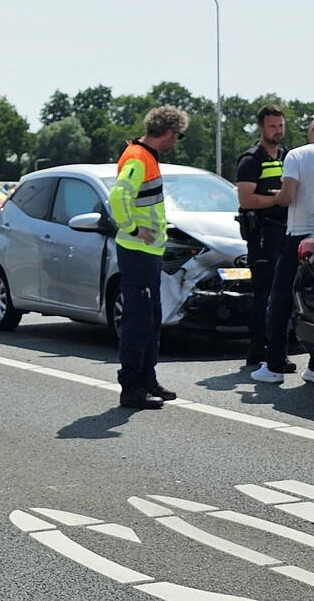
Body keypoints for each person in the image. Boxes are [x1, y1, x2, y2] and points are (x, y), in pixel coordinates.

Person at [252, 111, 314, 384]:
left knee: (281, 299)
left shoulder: (297, 155)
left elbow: (287, 198)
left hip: (299, 235)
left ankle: (273, 365)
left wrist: (275, 194)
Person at [108, 106, 188, 409]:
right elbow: (118, 197)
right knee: (138, 320)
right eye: (177, 136)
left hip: (148, 253)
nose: (176, 142)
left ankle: (146, 380)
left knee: (151, 319)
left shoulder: (144, 157)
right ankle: (131, 388)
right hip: (137, 252)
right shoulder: (139, 157)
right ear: (167, 133)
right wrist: (133, 227)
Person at [236, 104, 294, 369]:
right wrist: (278, 199)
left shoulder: (288, 156)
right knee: (265, 292)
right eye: (272, 126)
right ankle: (258, 350)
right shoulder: (251, 159)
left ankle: (277, 348)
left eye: (280, 125)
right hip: (263, 233)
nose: (278, 131)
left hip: (286, 231)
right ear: (261, 128)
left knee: (283, 292)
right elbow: (246, 199)